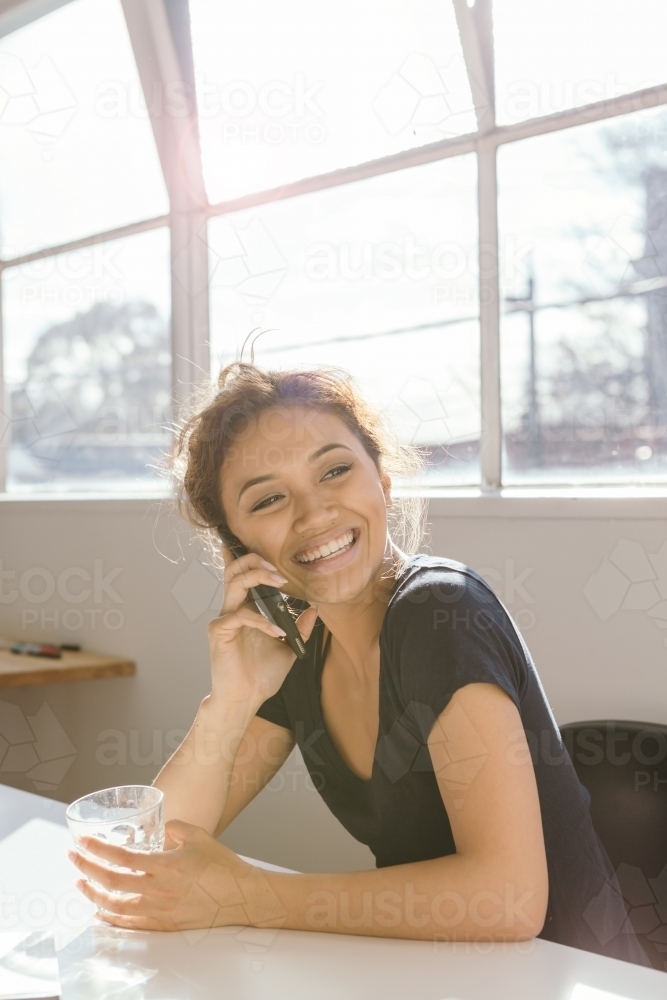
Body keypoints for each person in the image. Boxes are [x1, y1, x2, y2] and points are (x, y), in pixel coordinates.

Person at [70, 363, 647, 964]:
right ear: (239, 547)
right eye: (268, 499)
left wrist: (247, 896)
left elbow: (508, 899)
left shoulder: (438, 611)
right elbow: (157, 850)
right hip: (442, 973)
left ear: (383, 481)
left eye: (336, 470)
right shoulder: (295, 646)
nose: (313, 513)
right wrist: (231, 703)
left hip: (573, 978)